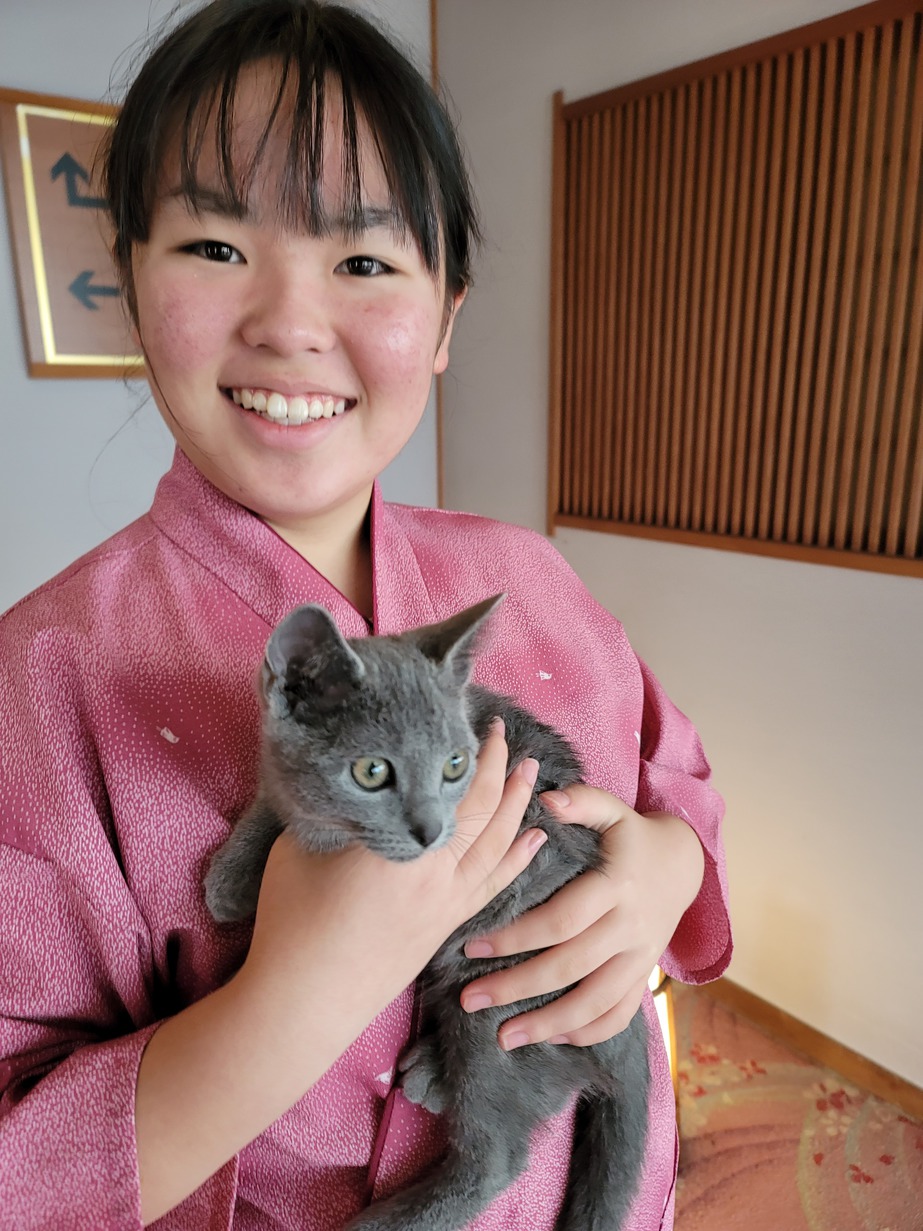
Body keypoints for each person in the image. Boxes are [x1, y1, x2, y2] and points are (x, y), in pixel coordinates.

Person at [0, 2, 731, 1228]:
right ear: (124, 274)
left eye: (365, 261)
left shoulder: (530, 584)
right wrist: (297, 987)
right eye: (216, 247)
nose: (290, 324)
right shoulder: (39, 683)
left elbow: (678, 789)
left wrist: (665, 871)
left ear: (446, 313)